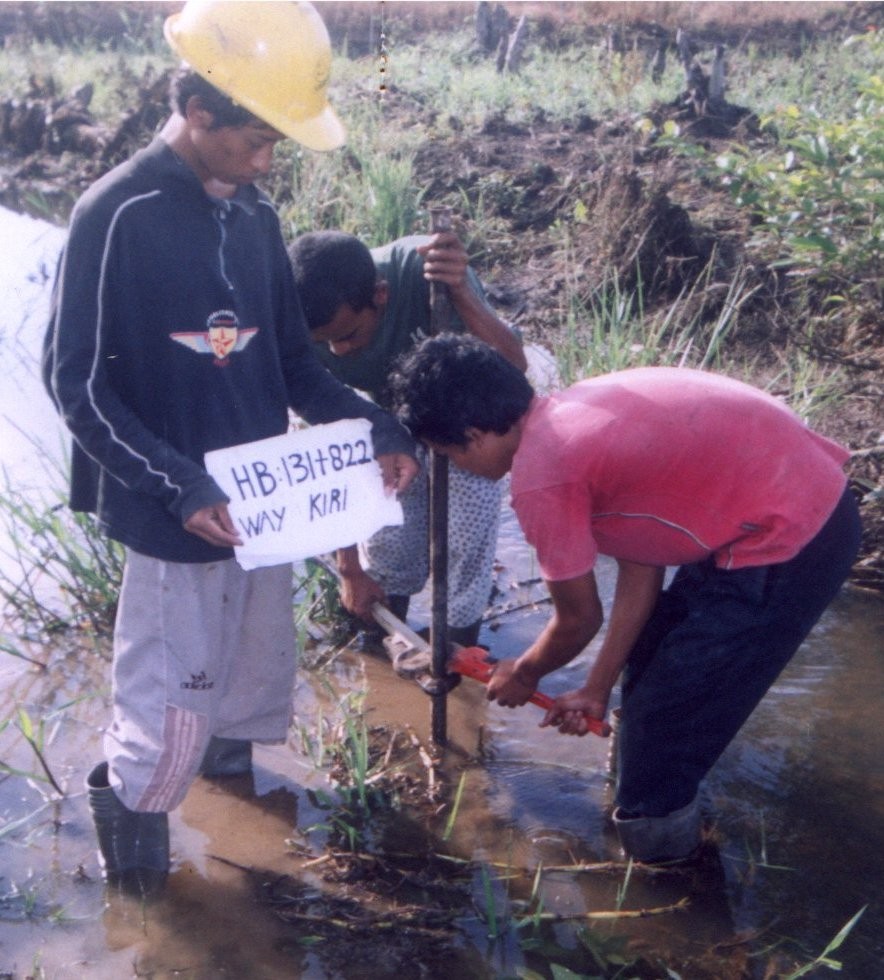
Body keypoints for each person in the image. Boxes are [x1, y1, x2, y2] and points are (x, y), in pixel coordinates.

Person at [41, 0, 418, 894]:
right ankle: (146, 904)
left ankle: (240, 859)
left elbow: (294, 368)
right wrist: (178, 486)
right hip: (176, 519)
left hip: (264, 507)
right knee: (164, 713)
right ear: (200, 111)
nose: (265, 161)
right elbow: (78, 383)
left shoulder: (255, 220)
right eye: (255, 139)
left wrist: (378, 430)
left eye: (276, 144)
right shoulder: (117, 212)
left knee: (248, 692)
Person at [389, 334, 861, 863]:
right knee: (654, 672)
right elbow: (643, 563)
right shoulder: (570, 414)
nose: (456, 465)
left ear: (474, 436)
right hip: (781, 509)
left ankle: (672, 881)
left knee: (665, 724)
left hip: (795, 536)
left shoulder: (544, 474)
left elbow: (578, 619)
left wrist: (523, 673)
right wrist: (596, 686)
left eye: (449, 453)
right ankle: (654, 811)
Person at [288, 229, 526, 647]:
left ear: (380, 295)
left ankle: (456, 650)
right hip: (383, 419)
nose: (339, 353)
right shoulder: (296, 316)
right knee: (388, 536)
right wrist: (349, 569)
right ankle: (379, 637)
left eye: (348, 337)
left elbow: (513, 365)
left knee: (464, 542)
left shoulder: (428, 273)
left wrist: (461, 293)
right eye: (324, 343)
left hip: (466, 416)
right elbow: (335, 446)